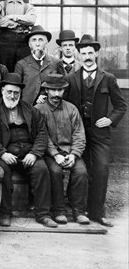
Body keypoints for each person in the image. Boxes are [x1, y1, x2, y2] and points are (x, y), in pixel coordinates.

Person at [0, 73, 57, 228]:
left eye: (16, 93)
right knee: (2, 171)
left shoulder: (30, 110)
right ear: (2, 90)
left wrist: (34, 153)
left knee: (42, 169)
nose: (12, 95)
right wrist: (2, 153)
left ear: (20, 93)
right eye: (9, 91)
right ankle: (5, 214)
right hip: (5, 154)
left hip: (29, 154)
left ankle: (43, 214)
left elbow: (42, 133)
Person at [65, 34, 127, 227]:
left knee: (100, 170)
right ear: (79, 55)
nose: (87, 56)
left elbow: (121, 106)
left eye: (90, 52)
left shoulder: (108, 78)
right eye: (83, 53)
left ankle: (98, 213)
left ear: (97, 53)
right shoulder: (71, 78)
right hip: (79, 134)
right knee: (80, 171)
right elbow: (64, 104)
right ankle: (78, 211)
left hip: (100, 134)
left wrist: (109, 119)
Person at [36, 74, 89, 225]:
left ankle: (78, 211)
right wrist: (55, 155)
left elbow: (79, 134)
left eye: (60, 90)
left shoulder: (71, 109)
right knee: (55, 172)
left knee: (81, 172)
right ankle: (58, 210)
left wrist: (74, 154)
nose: (57, 94)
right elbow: (41, 137)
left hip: (70, 151)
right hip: (49, 153)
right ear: (46, 90)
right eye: (53, 90)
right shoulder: (38, 110)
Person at [0, 0, 36, 71]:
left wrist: (13, 17)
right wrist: (21, 21)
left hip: (23, 43)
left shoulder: (29, 7)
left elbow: (31, 20)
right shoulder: (1, 5)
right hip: (5, 43)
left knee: (22, 70)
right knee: (4, 70)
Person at [14, 25, 64, 105]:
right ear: (29, 44)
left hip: (49, 107)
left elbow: (62, 85)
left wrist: (45, 95)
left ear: (46, 42)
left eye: (41, 40)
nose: (37, 44)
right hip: (27, 108)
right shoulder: (21, 64)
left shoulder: (56, 63)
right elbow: (16, 89)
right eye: (34, 40)